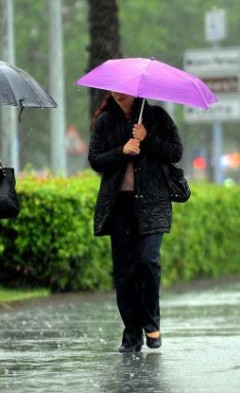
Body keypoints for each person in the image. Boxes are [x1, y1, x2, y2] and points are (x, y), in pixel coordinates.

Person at [87, 92, 182, 353]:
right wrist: (122, 150)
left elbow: (175, 152)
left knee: (148, 261)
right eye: (115, 90)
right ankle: (132, 332)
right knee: (124, 272)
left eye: (124, 90)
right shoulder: (106, 122)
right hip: (119, 206)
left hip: (152, 203)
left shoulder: (156, 117)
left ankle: (151, 323)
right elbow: (95, 158)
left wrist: (146, 138)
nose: (119, 95)